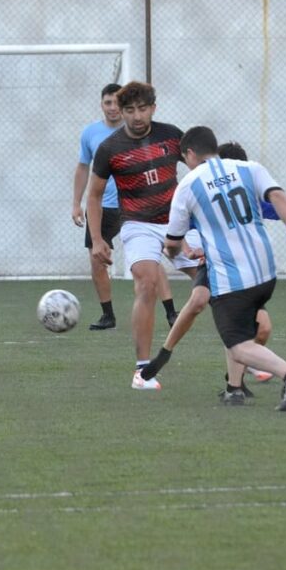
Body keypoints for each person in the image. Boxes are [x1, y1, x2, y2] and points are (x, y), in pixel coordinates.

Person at [158, 126, 286, 410]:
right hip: (265, 273)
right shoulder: (251, 169)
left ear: (189, 154)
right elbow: (277, 198)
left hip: (230, 277)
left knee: (236, 344)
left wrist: (174, 251)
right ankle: (234, 387)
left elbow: (173, 239)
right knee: (241, 326)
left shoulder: (188, 185)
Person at [87, 81, 194, 390]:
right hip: (138, 224)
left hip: (176, 222)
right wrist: (97, 240)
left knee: (216, 283)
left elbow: (199, 168)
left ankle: (246, 353)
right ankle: (143, 371)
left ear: (153, 109)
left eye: (143, 109)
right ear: (121, 112)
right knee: (146, 283)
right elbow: (93, 195)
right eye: (130, 110)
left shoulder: (171, 136)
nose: (137, 116)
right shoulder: (110, 148)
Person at [72, 83, 179, 330]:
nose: (112, 108)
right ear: (102, 105)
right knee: (97, 259)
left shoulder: (147, 133)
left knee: (151, 258)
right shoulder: (93, 135)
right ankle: (107, 315)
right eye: (107, 103)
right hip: (106, 207)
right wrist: (76, 203)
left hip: (138, 208)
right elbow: (83, 168)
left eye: (115, 103)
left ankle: (171, 311)